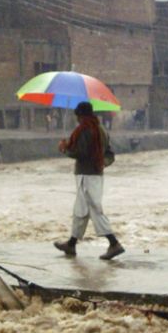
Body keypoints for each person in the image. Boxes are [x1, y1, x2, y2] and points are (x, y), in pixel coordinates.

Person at [54, 101, 124, 260]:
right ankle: (71, 244)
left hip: (86, 175)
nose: (77, 120)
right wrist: (101, 164)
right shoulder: (101, 129)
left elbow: (81, 153)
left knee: (94, 209)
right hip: (96, 174)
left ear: (81, 115)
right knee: (80, 209)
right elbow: (110, 155)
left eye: (78, 116)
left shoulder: (85, 130)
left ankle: (114, 243)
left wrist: (65, 148)